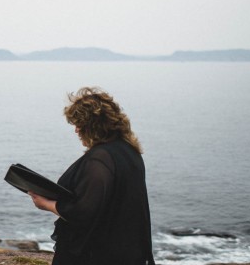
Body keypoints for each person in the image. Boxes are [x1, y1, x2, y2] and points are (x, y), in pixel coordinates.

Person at [29, 87, 155, 265]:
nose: (76, 131)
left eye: (79, 125)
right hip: (127, 246)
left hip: (97, 252)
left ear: (92, 126)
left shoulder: (100, 158)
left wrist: (47, 204)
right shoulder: (130, 151)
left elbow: (84, 212)